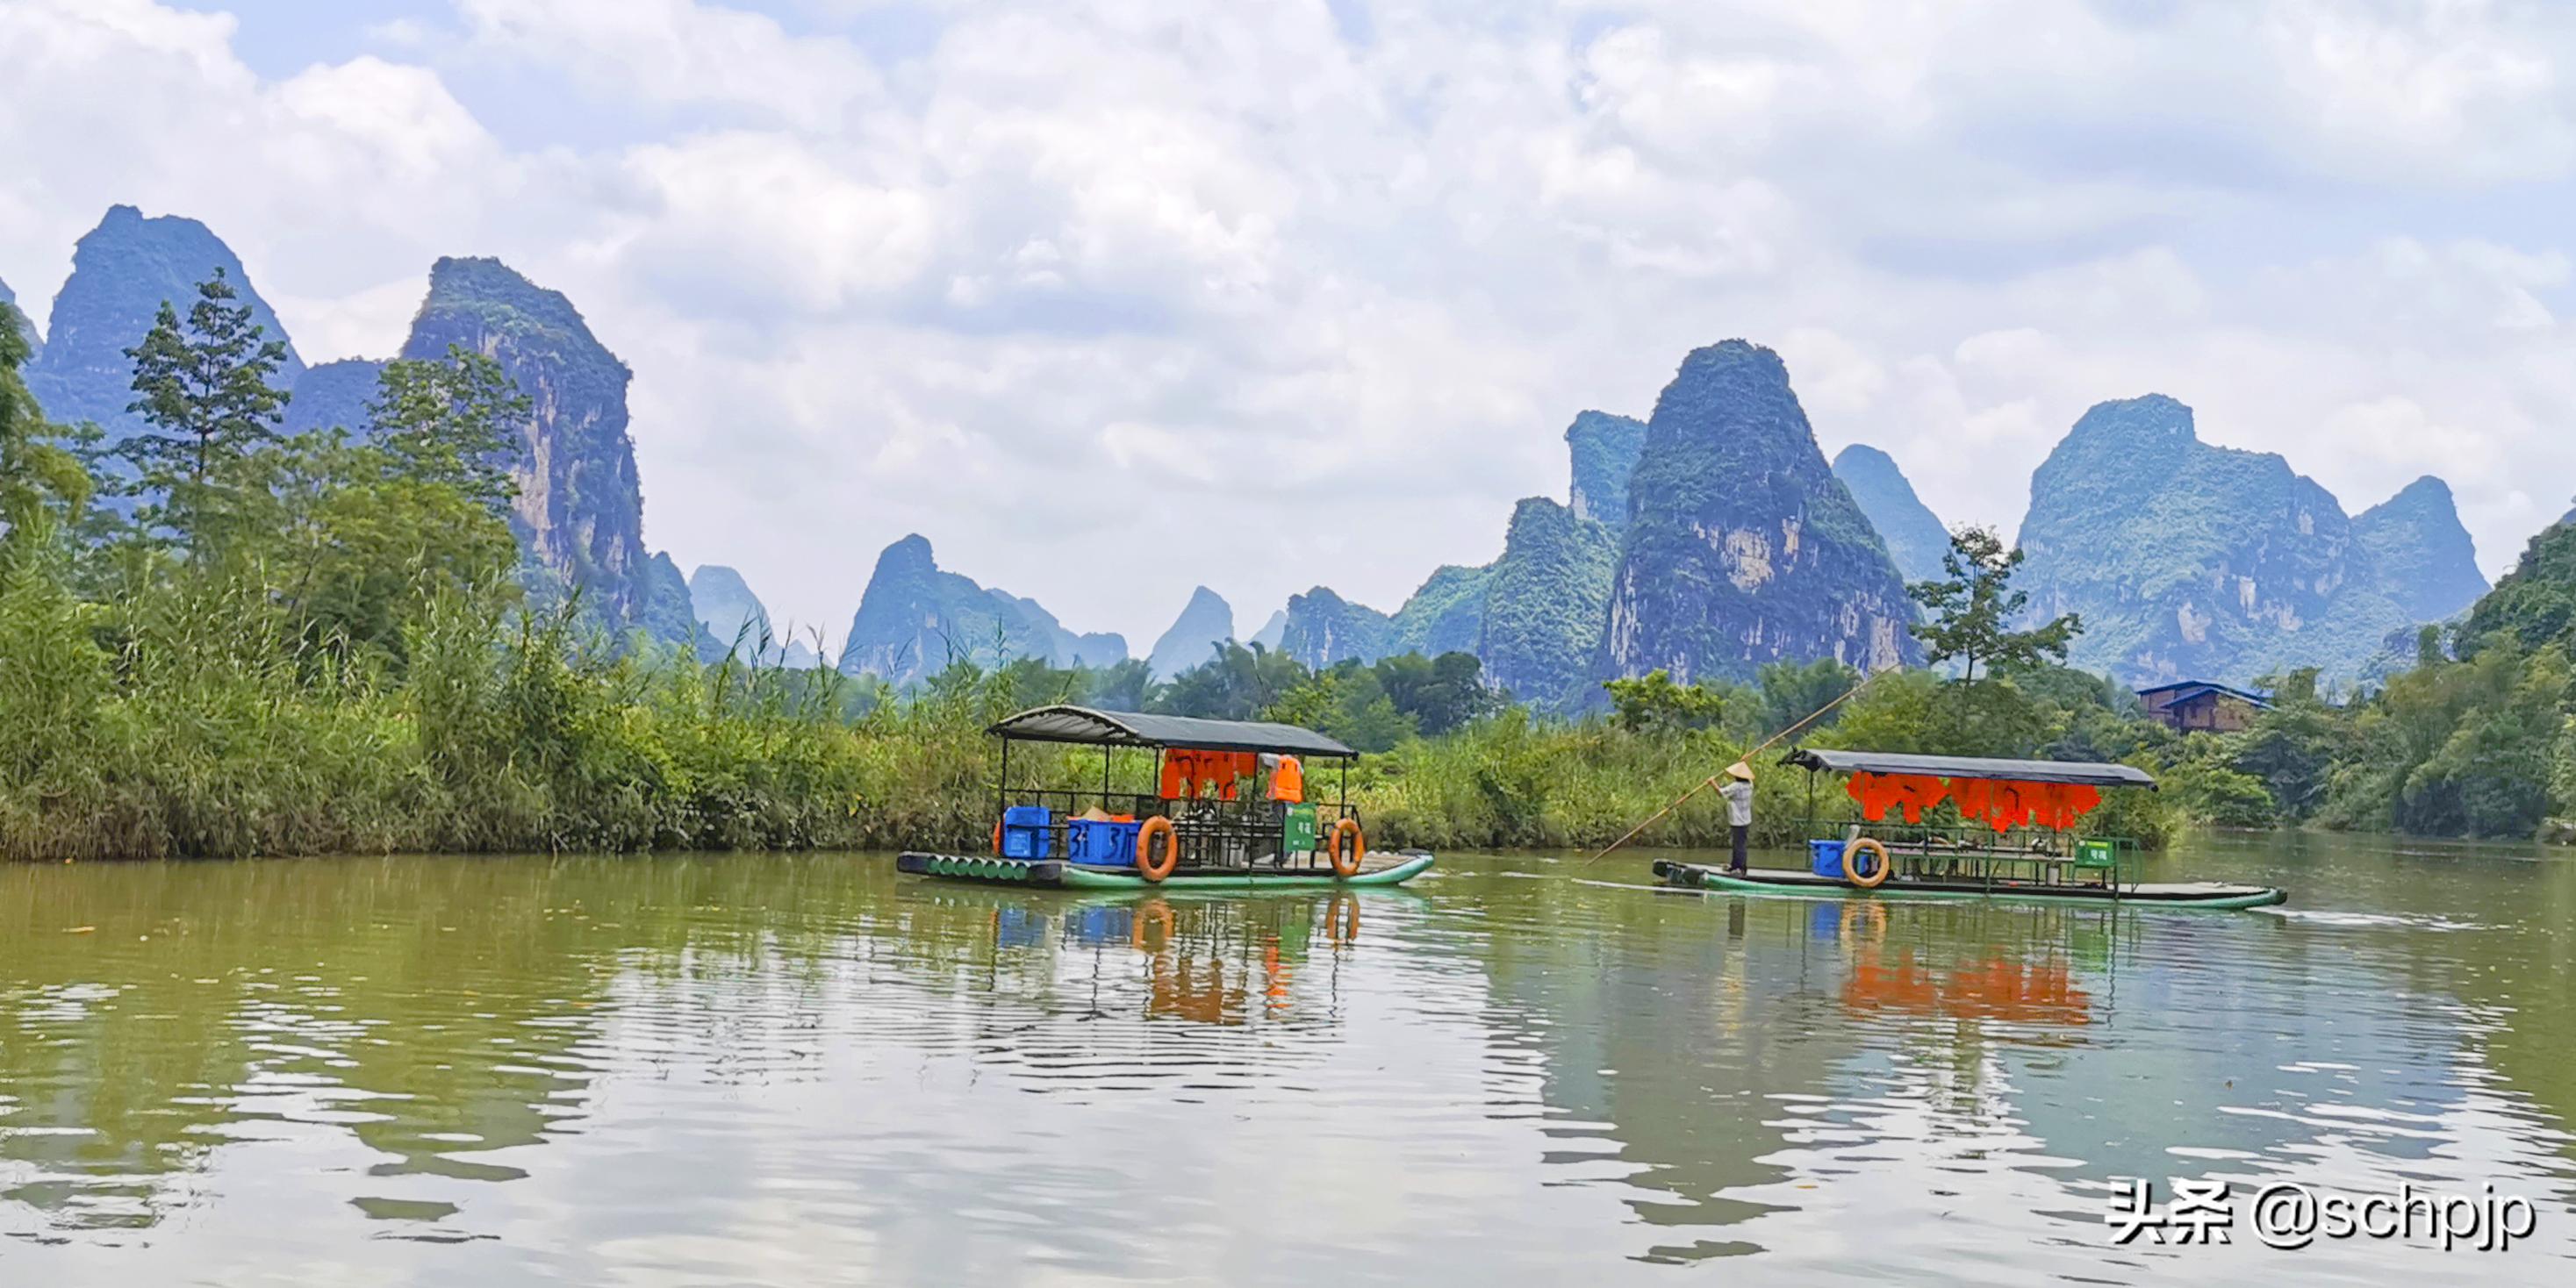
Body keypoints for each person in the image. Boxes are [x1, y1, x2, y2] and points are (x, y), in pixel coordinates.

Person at [1719, 762, 1754, 874]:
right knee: (1739, 844)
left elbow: (1721, 793)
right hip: (1746, 819)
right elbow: (1750, 780)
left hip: (1738, 820)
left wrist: (1712, 783)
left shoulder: (1736, 786)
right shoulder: (1749, 785)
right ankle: (1736, 866)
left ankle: (1739, 868)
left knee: (1739, 845)